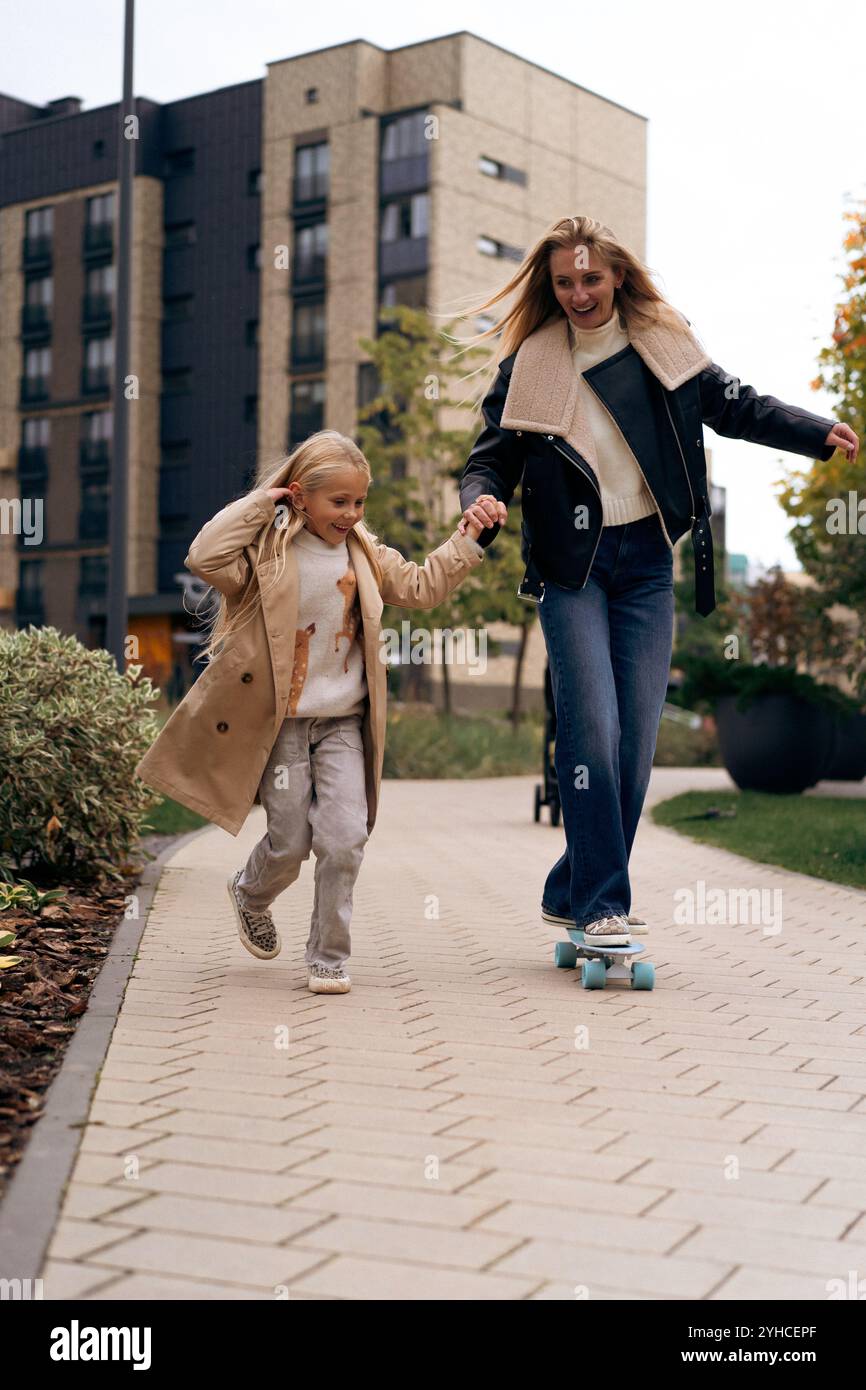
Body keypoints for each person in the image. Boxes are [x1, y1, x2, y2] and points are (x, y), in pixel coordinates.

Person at [457, 215, 859, 948]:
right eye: (565, 282)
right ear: (552, 287)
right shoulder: (532, 366)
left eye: (591, 278)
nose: (579, 294)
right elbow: (489, 463)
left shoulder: (661, 349)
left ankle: (570, 887)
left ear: (617, 277)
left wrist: (811, 431)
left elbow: (737, 406)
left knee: (636, 741)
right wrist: (478, 503)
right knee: (594, 731)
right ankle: (602, 905)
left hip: (645, 564)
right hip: (569, 569)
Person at [135, 431, 486, 993]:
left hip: (344, 721)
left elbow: (421, 586)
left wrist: (467, 539)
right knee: (291, 842)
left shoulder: (365, 553)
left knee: (345, 838)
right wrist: (263, 499)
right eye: (339, 502)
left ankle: (327, 957)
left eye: (359, 502)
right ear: (300, 496)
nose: (351, 514)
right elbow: (204, 556)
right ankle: (251, 891)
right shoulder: (266, 556)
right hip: (283, 724)